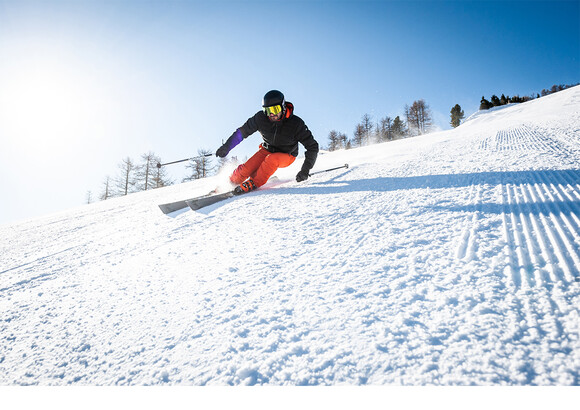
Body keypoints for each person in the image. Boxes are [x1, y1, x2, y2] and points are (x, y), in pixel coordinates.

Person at [215, 90, 319, 195]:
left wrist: (305, 170)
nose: (272, 114)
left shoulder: (296, 124)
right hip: (267, 149)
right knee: (246, 169)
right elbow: (242, 132)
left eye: (275, 109)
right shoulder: (261, 118)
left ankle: (254, 182)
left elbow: (312, 146)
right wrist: (226, 147)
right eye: (268, 111)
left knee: (271, 160)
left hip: (287, 155)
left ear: (283, 107)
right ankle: (231, 182)